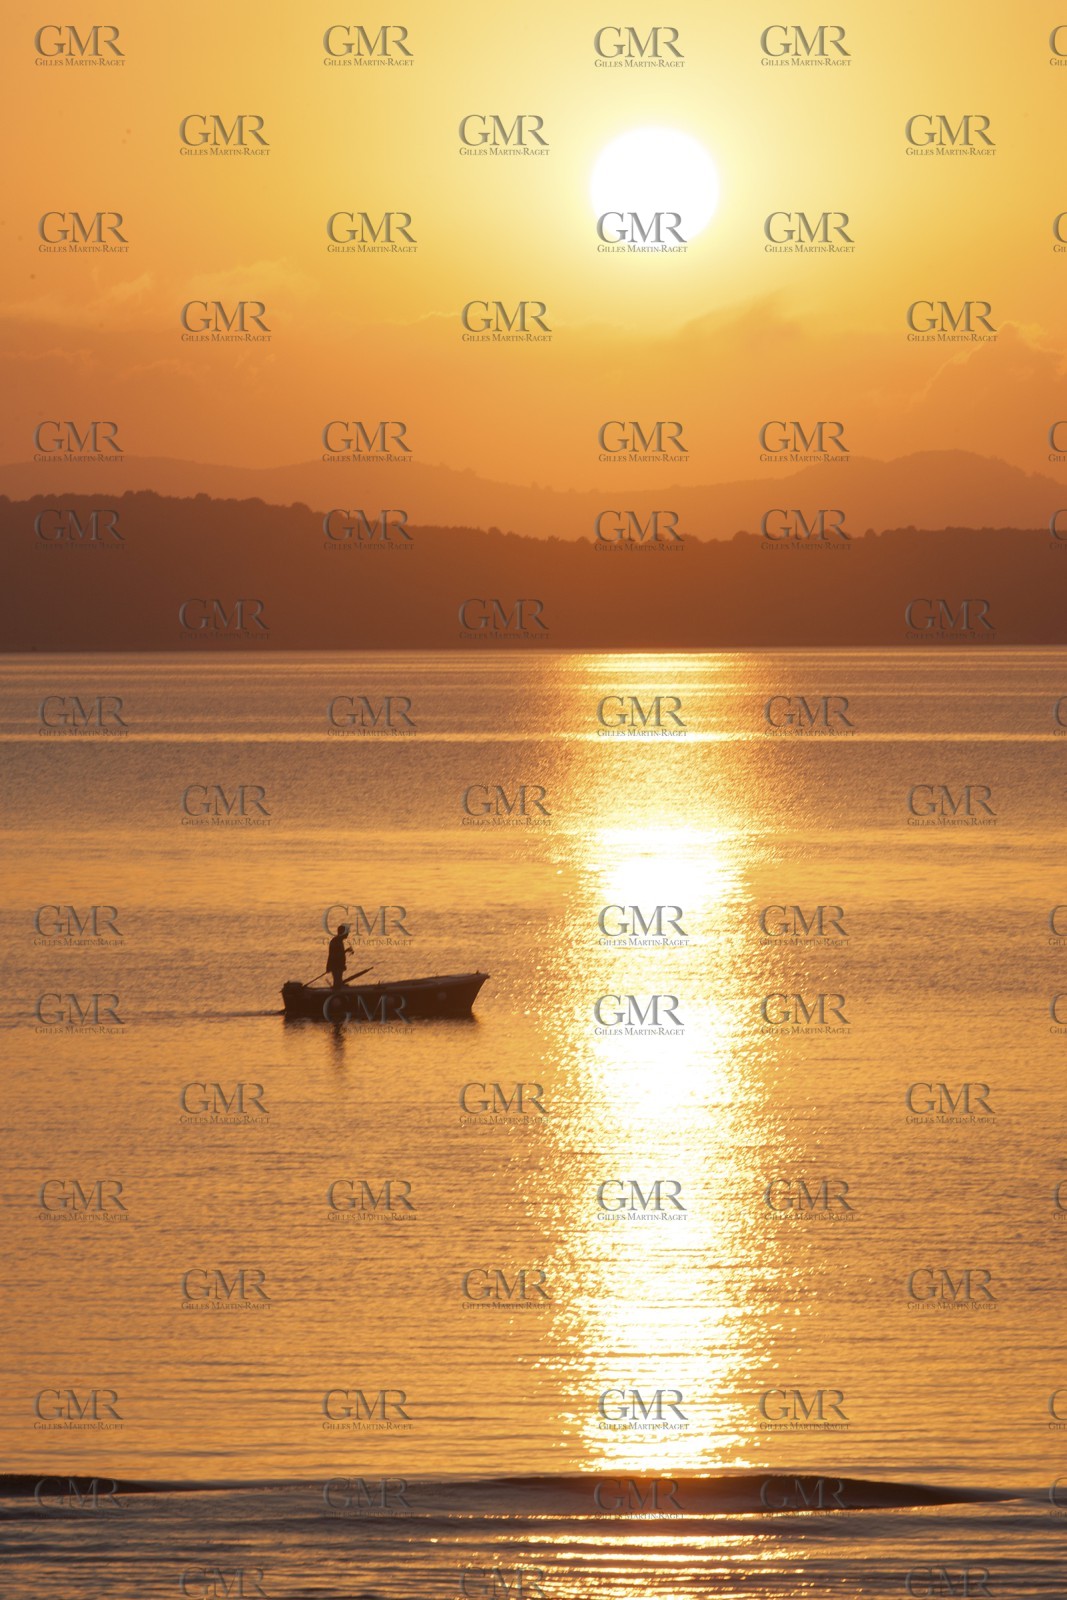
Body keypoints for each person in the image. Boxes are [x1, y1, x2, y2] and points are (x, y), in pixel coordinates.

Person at [327, 923, 351, 988]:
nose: (348, 934)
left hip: (338, 965)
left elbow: (337, 953)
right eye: (347, 932)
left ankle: (339, 987)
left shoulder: (338, 941)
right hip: (336, 965)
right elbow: (335, 955)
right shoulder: (336, 941)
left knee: (338, 981)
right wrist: (346, 951)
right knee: (337, 983)